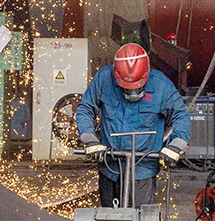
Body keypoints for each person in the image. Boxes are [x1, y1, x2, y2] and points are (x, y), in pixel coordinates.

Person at [75, 43, 191, 208]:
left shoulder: (161, 85)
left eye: (137, 88)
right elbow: (86, 108)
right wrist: (89, 138)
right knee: (108, 216)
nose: (132, 94)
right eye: (126, 89)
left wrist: (176, 143)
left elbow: (180, 115)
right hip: (110, 166)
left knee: (141, 215)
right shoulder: (104, 78)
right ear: (116, 75)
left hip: (142, 170)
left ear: (146, 73)